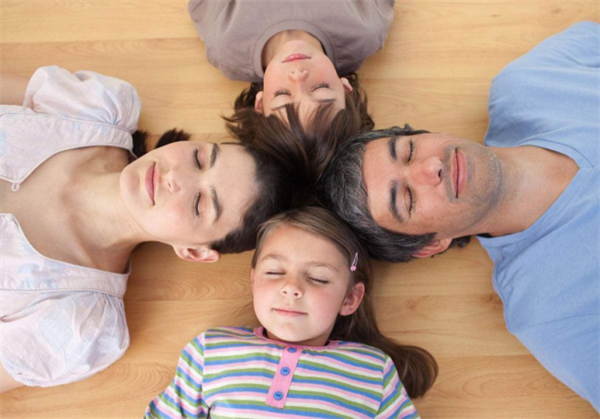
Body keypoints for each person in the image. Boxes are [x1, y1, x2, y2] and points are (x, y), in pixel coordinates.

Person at [319, 21, 600, 411]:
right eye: (407, 199)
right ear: (431, 243)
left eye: (409, 149)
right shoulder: (549, 311)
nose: (430, 168)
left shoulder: (529, 85)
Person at [0, 66, 288, 393]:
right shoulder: (97, 108)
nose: (175, 178)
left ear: (193, 251)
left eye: (200, 204)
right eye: (199, 157)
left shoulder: (81, 324)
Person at [145, 207, 438, 418]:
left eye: (318, 278)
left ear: (350, 298)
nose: (291, 288)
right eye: (274, 272)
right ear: (254, 280)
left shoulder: (373, 369)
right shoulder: (212, 351)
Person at [188, 0, 392, 198]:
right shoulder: (364, 31)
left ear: (260, 104)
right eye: (321, 88)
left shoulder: (226, 45)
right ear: (347, 90)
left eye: (282, 95)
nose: (298, 77)